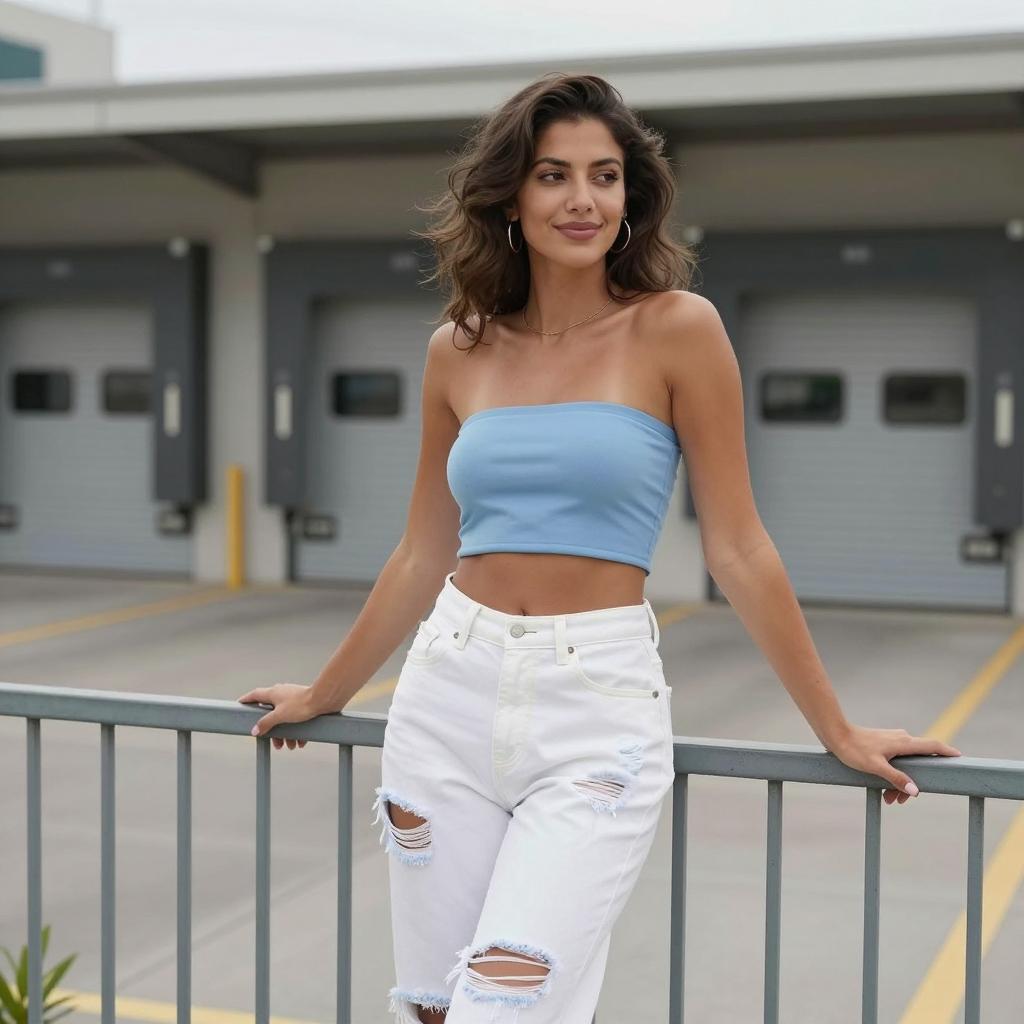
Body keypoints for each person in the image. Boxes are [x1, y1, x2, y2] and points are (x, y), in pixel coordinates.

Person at [237, 73, 962, 1024]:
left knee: (507, 997)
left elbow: (739, 547)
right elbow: (421, 551)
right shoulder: (458, 348)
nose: (582, 199)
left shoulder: (677, 329)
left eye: (604, 176)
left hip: (596, 706)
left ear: (631, 197)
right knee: (436, 1008)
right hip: (447, 692)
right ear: (510, 197)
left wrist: (837, 730)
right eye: (554, 175)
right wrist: (327, 694)